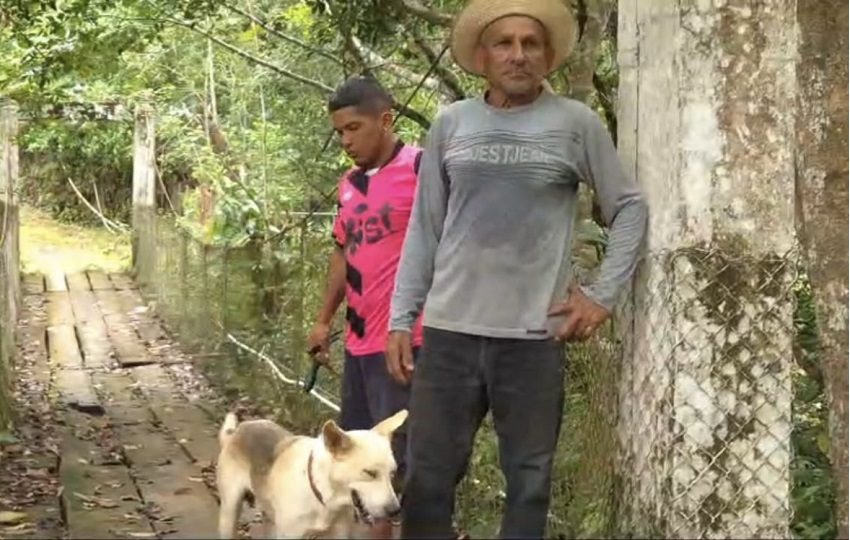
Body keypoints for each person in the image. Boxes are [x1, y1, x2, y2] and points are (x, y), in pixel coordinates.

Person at [385, 0, 649, 538]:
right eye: (504, 43)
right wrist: (400, 316)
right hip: (450, 332)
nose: (517, 55)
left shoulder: (574, 125)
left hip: (531, 339)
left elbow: (630, 207)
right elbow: (426, 227)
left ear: (548, 56)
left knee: (528, 483)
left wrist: (601, 296)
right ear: (482, 56)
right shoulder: (452, 123)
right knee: (428, 480)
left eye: (530, 44)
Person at [307, 75, 424, 538]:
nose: (346, 141)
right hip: (358, 345)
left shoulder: (423, 169)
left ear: (386, 119)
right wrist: (322, 320)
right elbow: (343, 250)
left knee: (397, 462)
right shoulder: (350, 184)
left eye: (354, 128)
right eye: (339, 132)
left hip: (406, 342)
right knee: (356, 460)